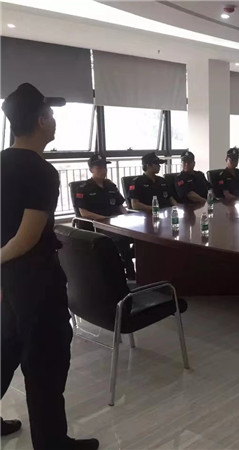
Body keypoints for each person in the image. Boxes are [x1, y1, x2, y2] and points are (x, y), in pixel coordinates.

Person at [1, 83, 99, 449]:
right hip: (36, 283)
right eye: (52, 114)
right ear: (41, 120)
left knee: (6, 351)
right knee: (46, 363)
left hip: (7, 281)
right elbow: (26, 239)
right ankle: (52, 444)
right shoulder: (41, 171)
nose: (55, 120)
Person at [74, 154, 134, 279]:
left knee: (139, 235)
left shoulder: (110, 185)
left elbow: (120, 206)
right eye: (99, 167)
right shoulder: (83, 188)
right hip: (97, 225)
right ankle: (128, 272)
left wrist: (127, 217)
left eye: (105, 167)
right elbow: (84, 213)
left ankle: (132, 266)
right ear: (91, 169)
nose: (103, 170)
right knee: (121, 238)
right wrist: (105, 219)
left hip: (116, 223)